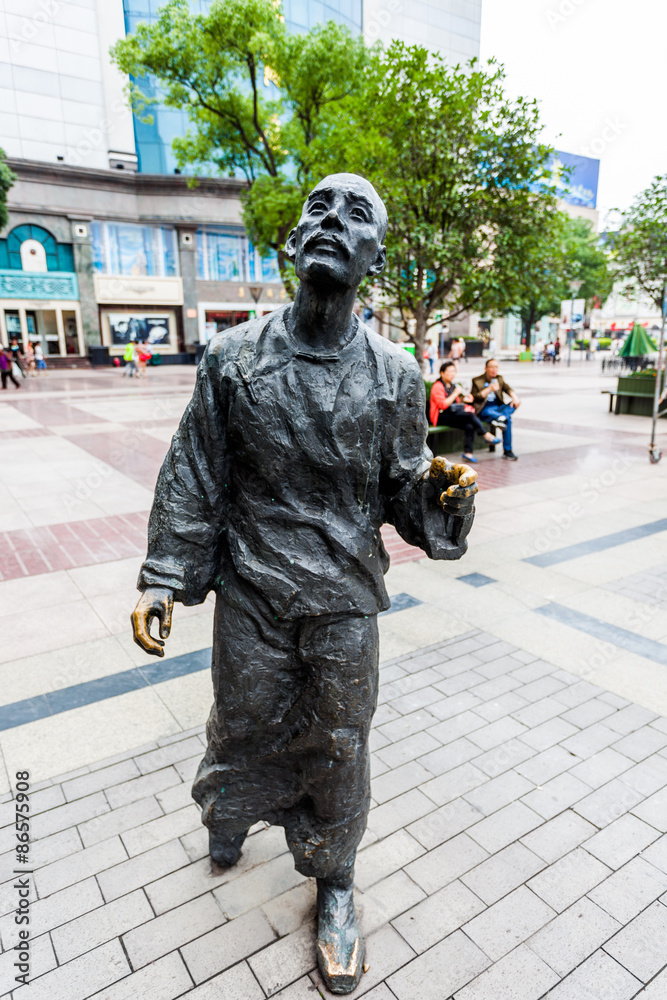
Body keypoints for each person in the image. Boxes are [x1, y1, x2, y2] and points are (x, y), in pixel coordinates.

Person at [131, 173, 478, 996]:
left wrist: (442, 498)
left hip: (343, 601)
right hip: (253, 590)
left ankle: (336, 881)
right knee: (243, 721)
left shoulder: (394, 373)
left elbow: (400, 489)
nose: (332, 221)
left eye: (356, 215)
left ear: (374, 258)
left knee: (340, 742)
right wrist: (162, 578)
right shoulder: (232, 358)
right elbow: (195, 470)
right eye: (318, 208)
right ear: (291, 242)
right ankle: (231, 813)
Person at [429, 361, 500, 464]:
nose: (452, 374)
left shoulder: (452, 386)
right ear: (442, 373)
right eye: (450, 371)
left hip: (451, 414)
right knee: (469, 415)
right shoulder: (438, 386)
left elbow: (456, 402)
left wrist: (465, 399)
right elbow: (443, 405)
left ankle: (468, 453)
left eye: (454, 371)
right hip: (440, 416)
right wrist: (455, 393)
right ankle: (485, 434)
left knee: (469, 425)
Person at [472, 358, 521, 461]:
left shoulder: (499, 378)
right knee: (508, 420)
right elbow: (475, 397)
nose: (494, 369)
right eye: (492, 367)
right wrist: (489, 389)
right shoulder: (477, 380)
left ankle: (501, 418)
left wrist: (515, 398)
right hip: (485, 409)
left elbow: (508, 389)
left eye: (496, 367)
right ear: (486, 368)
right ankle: (508, 450)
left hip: (499, 408)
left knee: (512, 405)